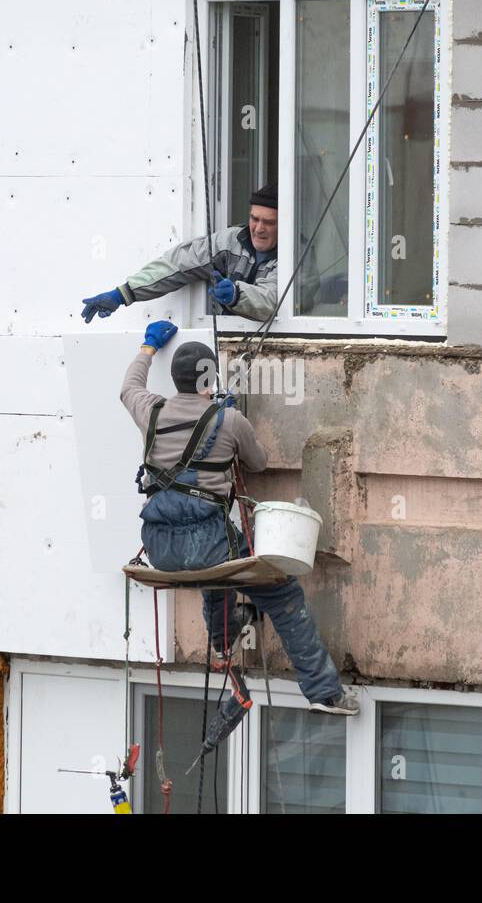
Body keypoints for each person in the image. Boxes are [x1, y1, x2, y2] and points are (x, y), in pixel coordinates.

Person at [119, 318, 358, 717]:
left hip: (161, 549)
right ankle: (324, 693)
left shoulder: (151, 411)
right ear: (209, 380)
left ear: (175, 380)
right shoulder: (227, 420)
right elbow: (259, 463)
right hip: (210, 545)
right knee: (282, 594)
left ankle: (223, 638)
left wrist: (148, 347)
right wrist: (227, 420)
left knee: (218, 576)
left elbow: (128, 386)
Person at [82, 184, 281, 323]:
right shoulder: (231, 240)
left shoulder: (292, 257)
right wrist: (123, 294)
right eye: (254, 219)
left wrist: (236, 295)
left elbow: (272, 301)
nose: (258, 229)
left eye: (269, 222)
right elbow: (180, 263)